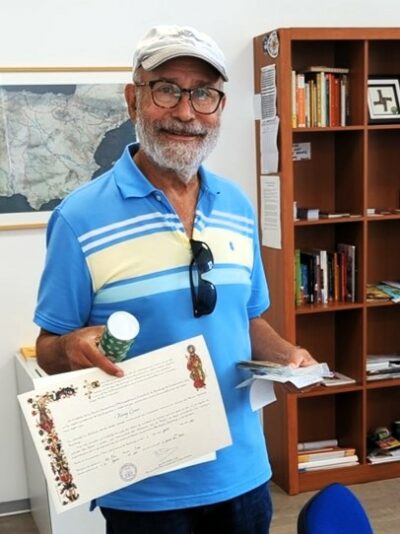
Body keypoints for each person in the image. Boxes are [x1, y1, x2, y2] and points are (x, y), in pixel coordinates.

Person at [34, 24, 317, 534]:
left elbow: (248, 319)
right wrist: (70, 346)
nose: (186, 113)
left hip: (245, 477)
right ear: (133, 98)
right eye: (167, 89)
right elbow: (50, 348)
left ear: (220, 107)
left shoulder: (236, 206)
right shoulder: (79, 219)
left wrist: (287, 356)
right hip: (144, 491)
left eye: (204, 94)